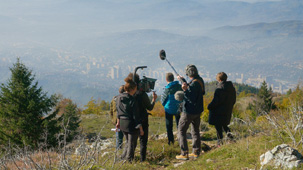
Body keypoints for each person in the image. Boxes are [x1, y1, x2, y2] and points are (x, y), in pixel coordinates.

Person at [176, 64, 205, 160]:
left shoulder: (194, 83)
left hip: (188, 111)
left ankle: (184, 153)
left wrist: (184, 90)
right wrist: (184, 81)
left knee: (181, 130)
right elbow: (197, 91)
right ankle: (196, 152)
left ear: (188, 73)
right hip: (197, 111)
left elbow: (191, 97)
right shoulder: (199, 80)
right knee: (195, 131)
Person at [129, 73, 157, 162]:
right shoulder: (142, 94)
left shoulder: (128, 94)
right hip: (143, 119)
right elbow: (150, 107)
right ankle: (142, 160)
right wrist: (154, 99)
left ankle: (130, 159)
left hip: (131, 119)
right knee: (143, 141)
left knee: (131, 141)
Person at [116, 76, 144, 162]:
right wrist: (141, 128)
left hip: (122, 123)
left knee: (127, 142)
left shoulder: (119, 98)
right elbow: (136, 116)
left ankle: (122, 158)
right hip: (131, 124)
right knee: (132, 144)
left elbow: (118, 111)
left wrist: (118, 122)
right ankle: (129, 160)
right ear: (133, 89)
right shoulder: (132, 100)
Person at [208, 72, 236, 146]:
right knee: (225, 126)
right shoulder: (231, 88)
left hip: (218, 112)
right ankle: (231, 139)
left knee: (218, 128)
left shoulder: (219, 88)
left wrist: (209, 106)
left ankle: (219, 143)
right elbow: (233, 100)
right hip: (227, 111)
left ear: (219, 79)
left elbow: (216, 101)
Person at [161, 72, 182, 145]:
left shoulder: (167, 89)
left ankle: (171, 141)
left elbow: (163, 100)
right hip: (177, 108)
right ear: (173, 79)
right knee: (179, 125)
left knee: (169, 126)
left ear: (166, 79)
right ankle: (181, 140)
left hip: (168, 109)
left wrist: (164, 105)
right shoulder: (179, 86)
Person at [110, 85, 125, 150]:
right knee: (127, 138)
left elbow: (111, 111)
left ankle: (118, 152)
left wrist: (113, 120)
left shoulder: (114, 99)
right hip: (125, 121)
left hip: (116, 121)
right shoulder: (126, 99)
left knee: (119, 139)